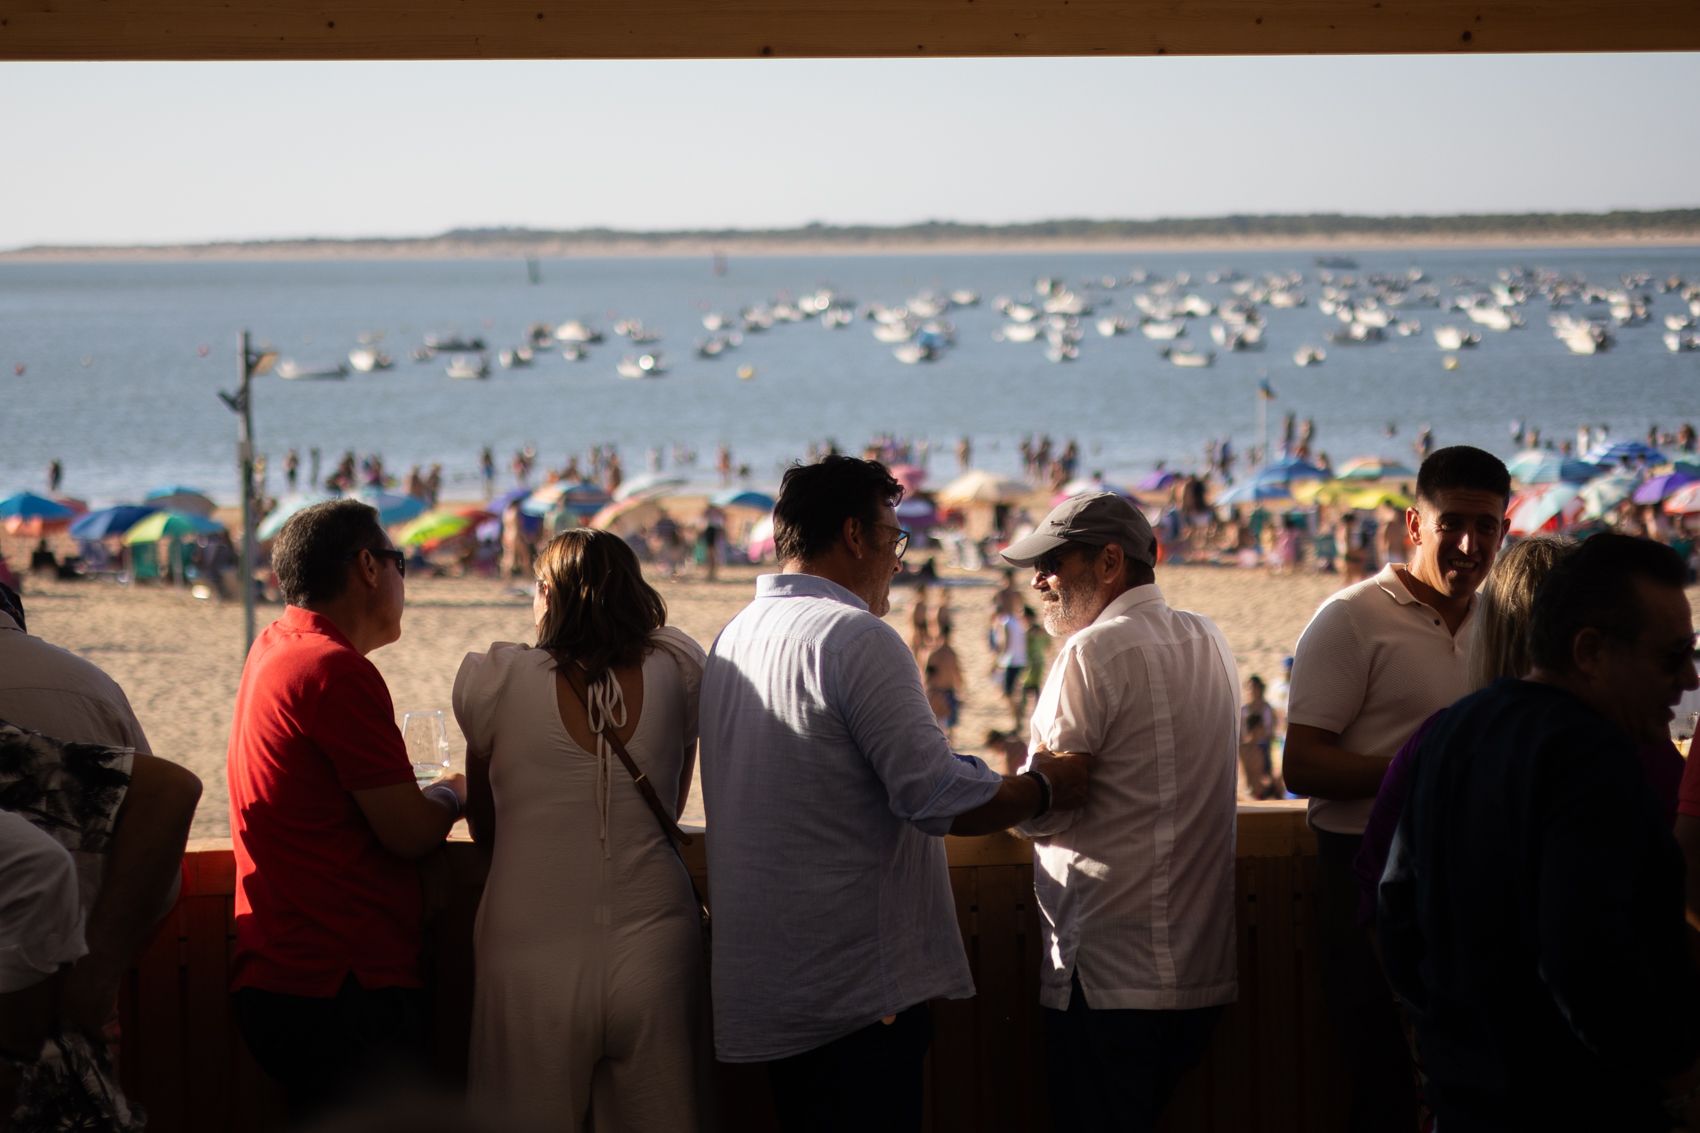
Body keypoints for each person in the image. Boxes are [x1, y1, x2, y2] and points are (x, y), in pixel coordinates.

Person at [699, 455, 1091, 1133]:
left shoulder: (736, 635)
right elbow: (936, 793)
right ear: (855, 535)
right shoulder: (855, 636)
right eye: (893, 537)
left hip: (770, 985)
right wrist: (1043, 786)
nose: (899, 559)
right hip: (854, 992)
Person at [1379, 533, 1700, 1131]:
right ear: (1589, 651)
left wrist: (1447, 1037)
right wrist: (1677, 1078)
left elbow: (1395, 911)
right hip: (1573, 1102)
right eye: (1672, 655)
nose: (1689, 678)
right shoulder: (1593, 759)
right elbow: (1588, 957)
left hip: (1464, 1096)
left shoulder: (1452, 732)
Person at [1283, 444, 1510, 1132]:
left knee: (1465, 1081)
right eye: (1453, 525)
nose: (1470, 545)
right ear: (1415, 526)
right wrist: (1424, 767)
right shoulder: (1349, 618)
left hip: (1470, 882)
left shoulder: (1501, 621)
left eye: (1487, 527)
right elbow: (1302, 765)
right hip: (1363, 877)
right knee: (1381, 1078)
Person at [454, 529, 710, 1130]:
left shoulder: (500, 681)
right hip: (655, 942)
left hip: (531, 946)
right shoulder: (676, 668)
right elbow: (667, 802)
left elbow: (484, 826)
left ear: (547, 592)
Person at [1001, 491, 1239, 1133]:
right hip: (1199, 971)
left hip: (1106, 975)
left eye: (1053, 562)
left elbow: (1049, 803)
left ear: (1110, 562)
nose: (1038, 580)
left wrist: (1006, 797)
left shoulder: (1089, 653)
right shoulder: (1209, 639)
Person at [225, 499, 468, 1124]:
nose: (402, 581)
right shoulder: (332, 669)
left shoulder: (275, 645)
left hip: (282, 971)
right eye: (400, 562)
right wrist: (455, 792)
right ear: (367, 566)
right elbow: (409, 833)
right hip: (339, 982)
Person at [1239, 674, 1281, 799]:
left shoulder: (1267, 708)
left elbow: (1272, 730)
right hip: (1248, 746)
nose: (1251, 690)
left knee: (1266, 778)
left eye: (1254, 687)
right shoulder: (1243, 710)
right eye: (1249, 688)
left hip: (1264, 745)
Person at [922, 623, 963, 743]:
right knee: (946, 727)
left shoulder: (935, 653)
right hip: (943, 692)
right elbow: (957, 673)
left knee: (944, 726)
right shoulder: (948, 653)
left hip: (941, 691)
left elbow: (927, 676)